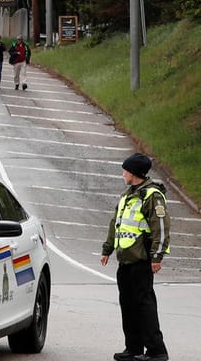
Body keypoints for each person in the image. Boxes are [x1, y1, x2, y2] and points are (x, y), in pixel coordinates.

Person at [101, 152, 170, 361]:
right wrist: (107, 249)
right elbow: (116, 223)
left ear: (134, 173)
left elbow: (161, 228)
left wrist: (157, 257)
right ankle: (133, 348)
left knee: (144, 306)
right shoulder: (127, 196)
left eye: (125, 170)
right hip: (125, 260)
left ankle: (157, 351)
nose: (123, 174)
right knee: (128, 305)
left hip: (142, 260)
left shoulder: (152, 196)